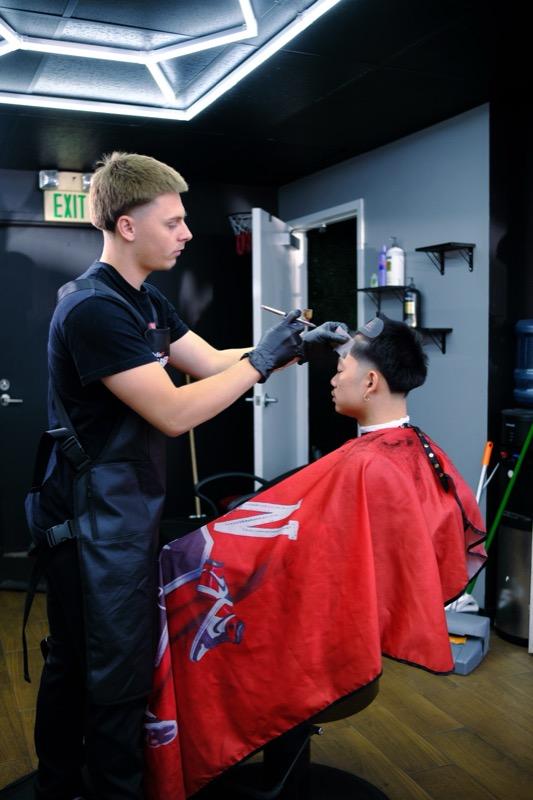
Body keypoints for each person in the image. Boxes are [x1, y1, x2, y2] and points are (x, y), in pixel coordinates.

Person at [28, 151, 347, 800]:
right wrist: (262, 361)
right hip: (92, 524)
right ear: (125, 226)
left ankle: (65, 783)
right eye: (172, 222)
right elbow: (174, 412)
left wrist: (293, 347)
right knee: (111, 677)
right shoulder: (95, 309)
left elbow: (206, 363)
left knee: (84, 662)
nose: (186, 234)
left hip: (119, 515)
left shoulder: (142, 300)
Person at [143, 314, 487, 800]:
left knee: (180, 592)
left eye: (341, 365)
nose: (332, 376)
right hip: (344, 616)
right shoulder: (416, 450)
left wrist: (183, 556)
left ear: (370, 381)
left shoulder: (367, 465)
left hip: (319, 631)